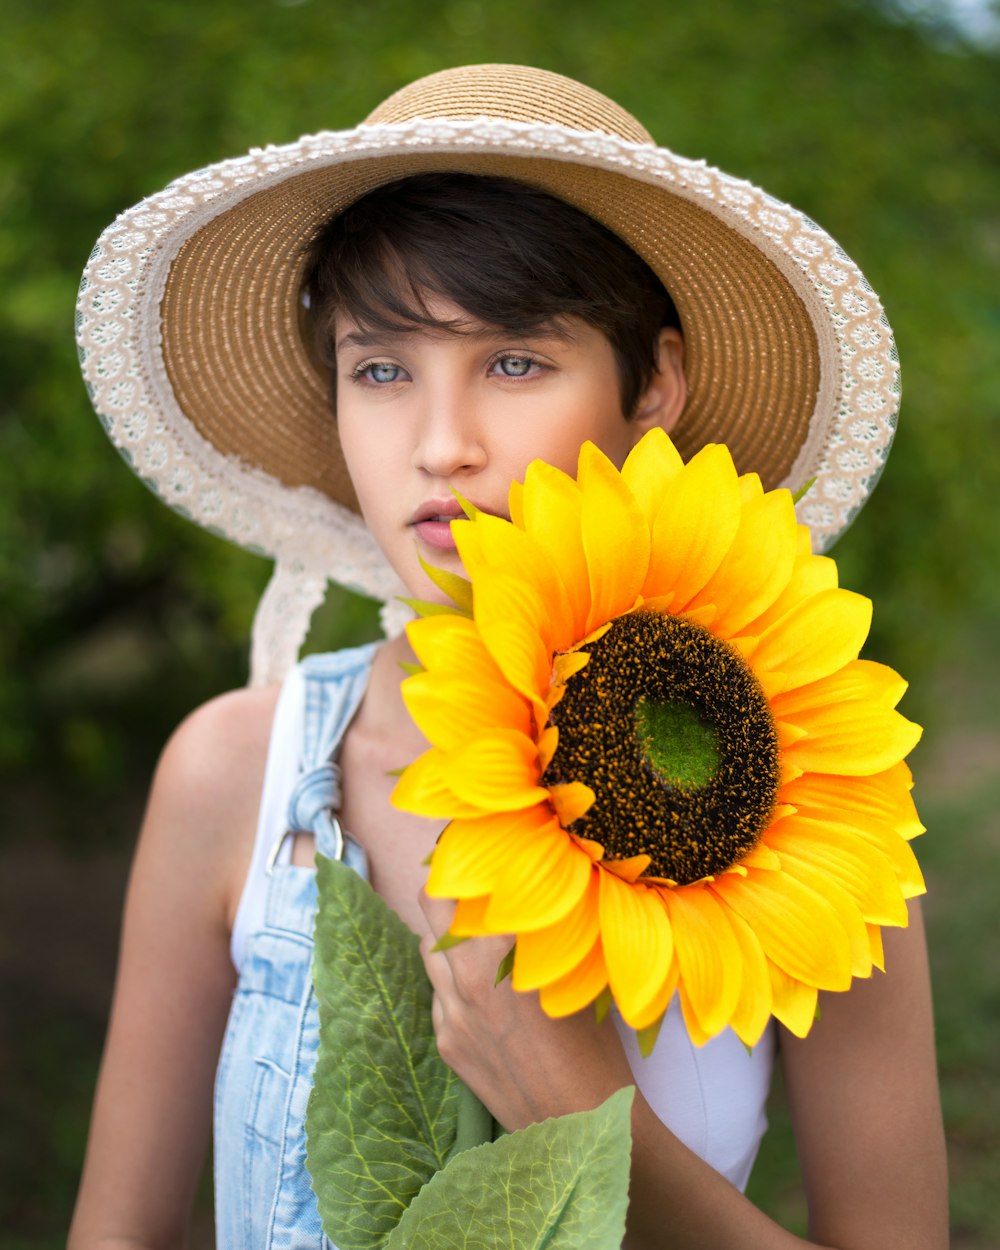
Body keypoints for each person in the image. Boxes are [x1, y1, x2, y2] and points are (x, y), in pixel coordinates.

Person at [68, 64, 948, 1249]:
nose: (441, 444)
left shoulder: (812, 807)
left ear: (656, 385)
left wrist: (589, 1114)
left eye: (516, 361)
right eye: (381, 370)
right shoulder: (239, 768)